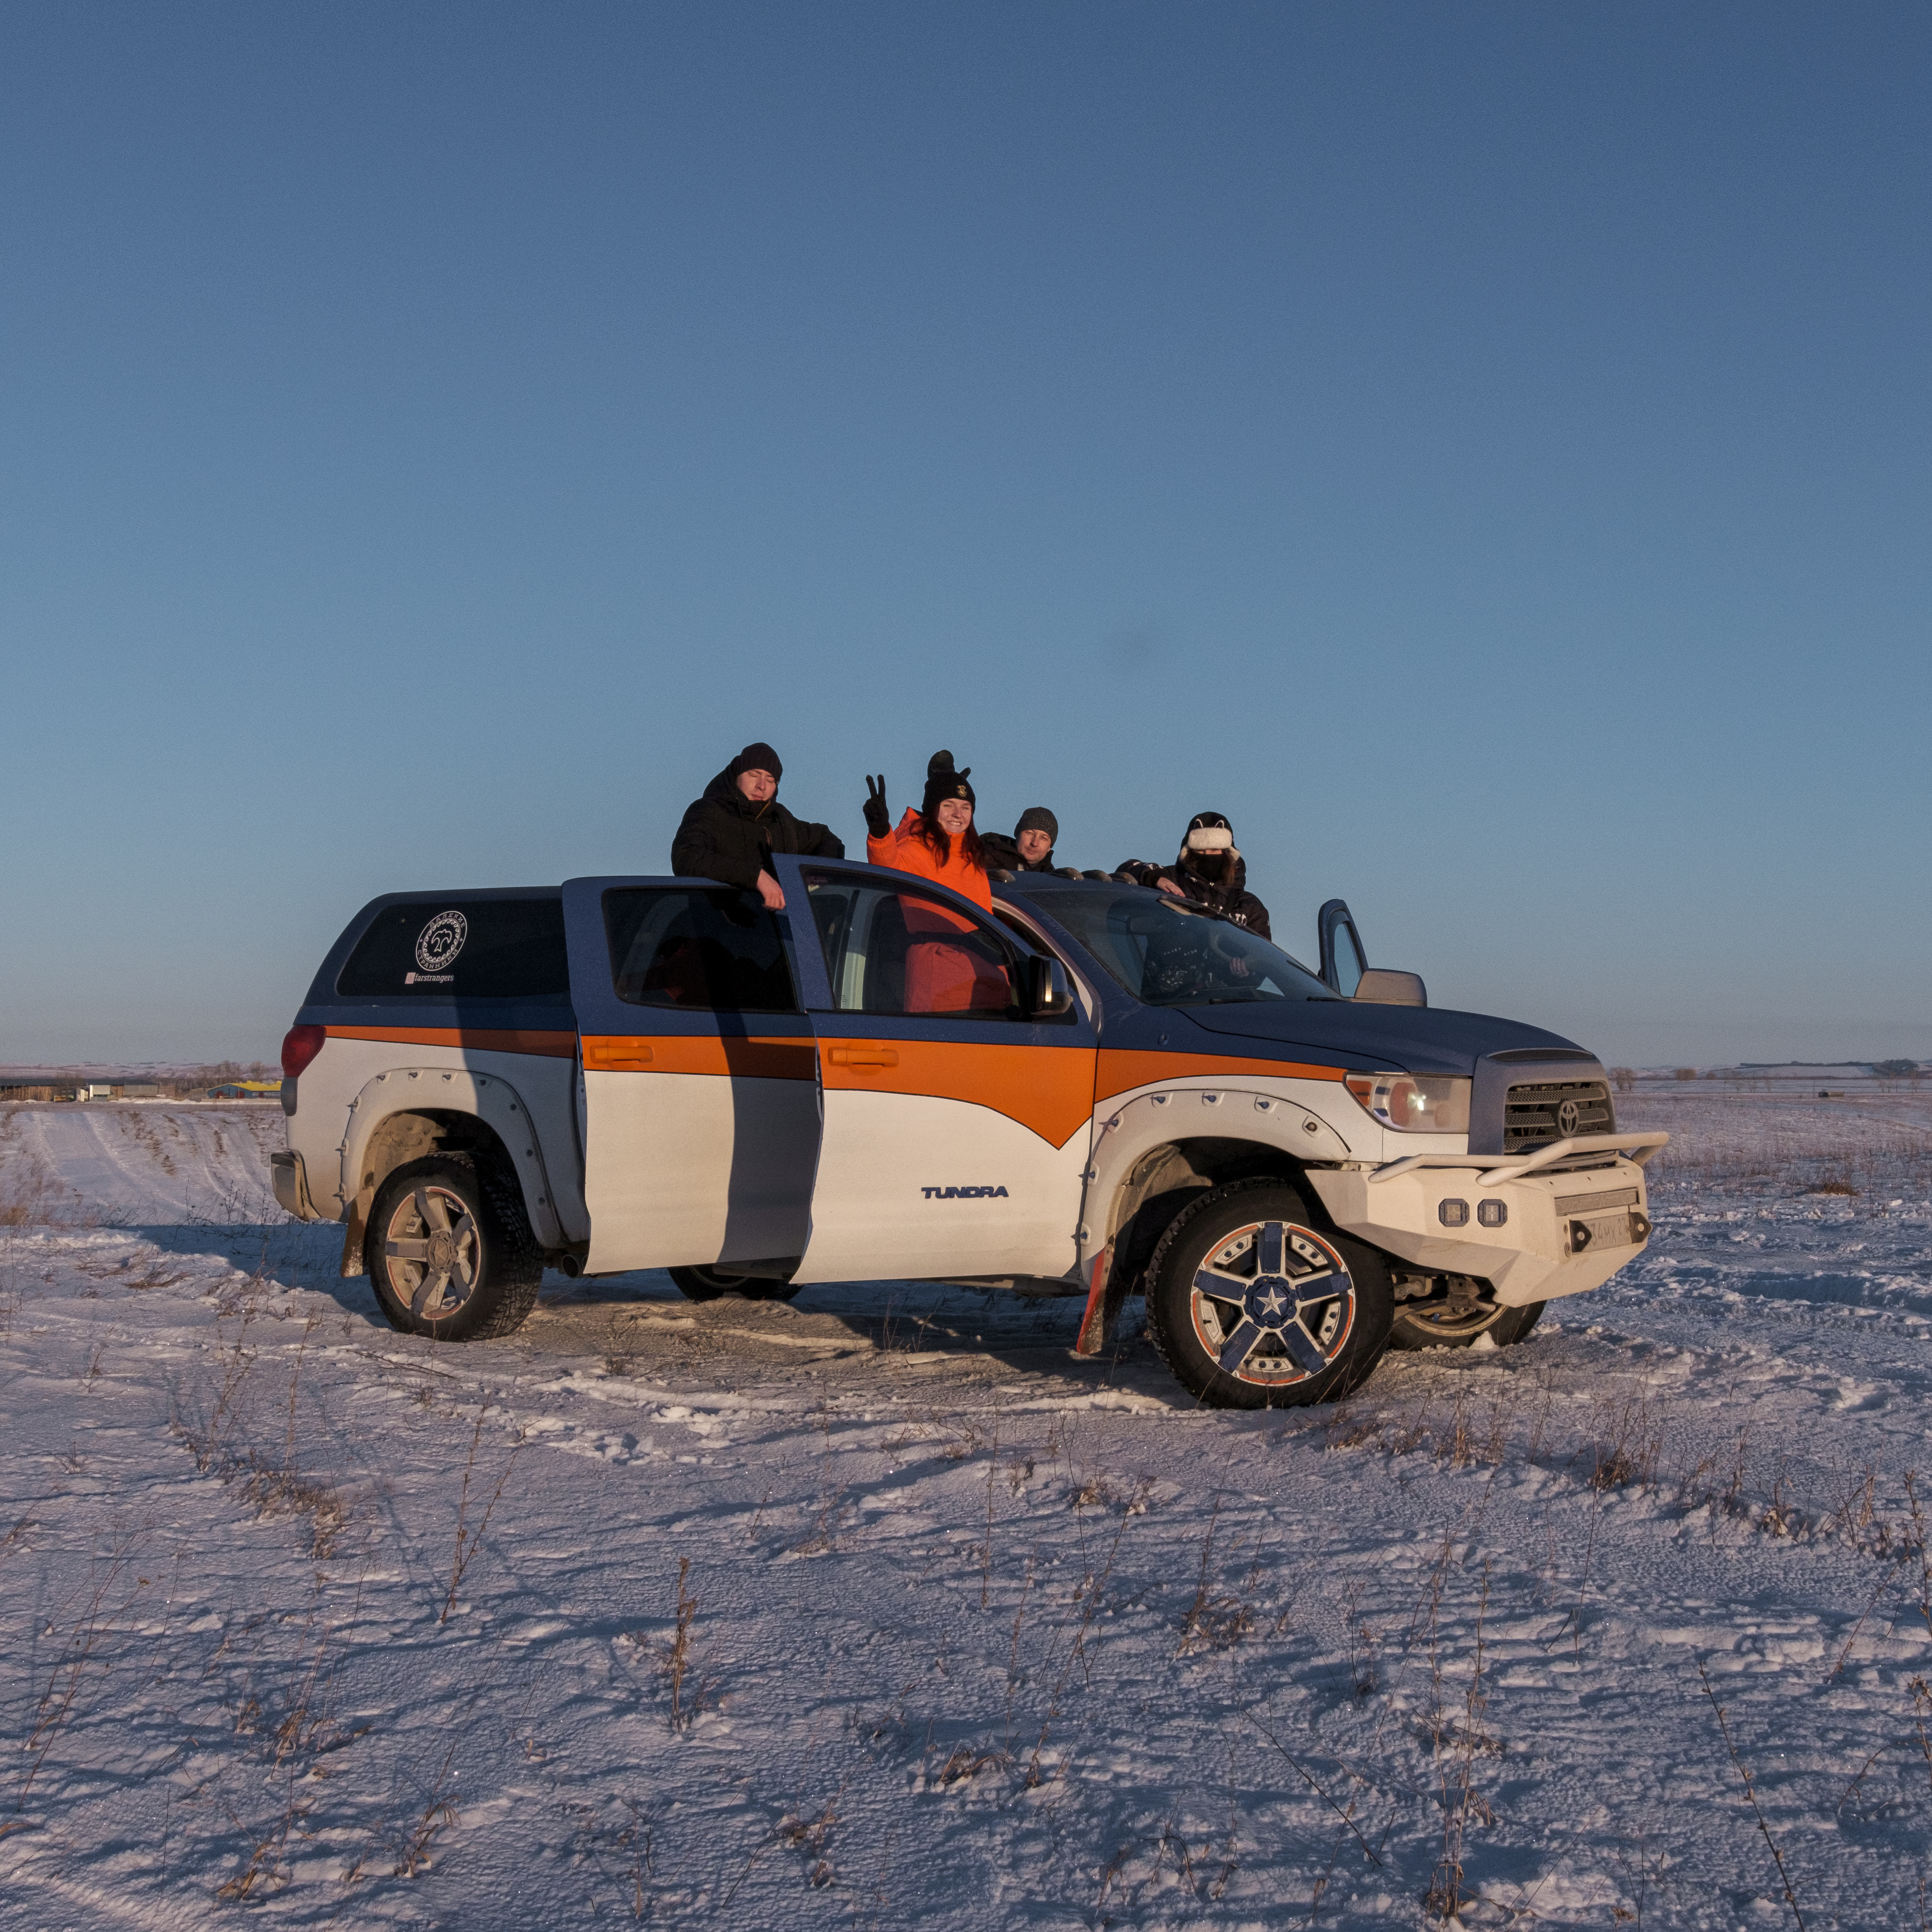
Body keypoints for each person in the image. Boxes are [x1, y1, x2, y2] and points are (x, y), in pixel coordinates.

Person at [861, 751, 1007, 1012]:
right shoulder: (917, 847)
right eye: (948, 805)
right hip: (940, 986)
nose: (958, 814)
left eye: (966, 807)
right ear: (933, 809)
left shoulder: (974, 854)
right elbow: (887, 866)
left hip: (988, 983)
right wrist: (881, 832)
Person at [670, 741, 844, 912]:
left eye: (771, 780)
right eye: (754, 775)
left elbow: (827, 839)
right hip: (715, 924)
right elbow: (686, 857)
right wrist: (757, 877)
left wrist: (812, 877)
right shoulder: (709, 811)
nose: (762, 786)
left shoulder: (781, 820)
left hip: (778, 928)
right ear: (736, 774)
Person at [1116, 811, 1271, 938]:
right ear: (1189, 852)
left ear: (1227, 853)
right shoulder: (1172, 880)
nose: (1207, 856)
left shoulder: (1250, 906)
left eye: (1214, 850)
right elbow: (1126, 869)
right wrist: (1155, 878)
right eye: (1201, 851)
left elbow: (1263, 957)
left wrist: (1244, 965)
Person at [979, 806, 1067, 876]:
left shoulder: (1055, 879)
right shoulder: (985, 860)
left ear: (1049, 847)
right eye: (1030, 833)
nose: (1035, 843)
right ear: (1017, 835)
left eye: (1044, 838)